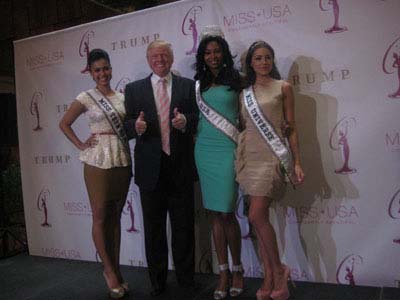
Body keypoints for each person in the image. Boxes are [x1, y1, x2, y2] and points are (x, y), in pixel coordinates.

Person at [123, 40, 198, 297]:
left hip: (180, 168)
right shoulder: (133, 90)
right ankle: (157, 282)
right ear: (148, 60)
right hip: (150, 171)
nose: (160, 59)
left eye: (165, 55)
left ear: (172, 57)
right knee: (154, 231)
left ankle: (187, 280)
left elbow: (198, 117)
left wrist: (186, 120)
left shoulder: (188, 86)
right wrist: (136, 126)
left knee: (184, 228)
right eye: (155, 56)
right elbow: (124, 125)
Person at [59, 49, 132, 299]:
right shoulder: (86, 97)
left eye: (106, 68)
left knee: (115, 217)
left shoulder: (122, 97)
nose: (103, 73)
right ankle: (108, 271)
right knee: (100, 216)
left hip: (121, 158)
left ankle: (118, 270)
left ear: (111, 68)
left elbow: (130, 127)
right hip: (97, 160)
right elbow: (64, 123)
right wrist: (80, 144)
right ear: (91, 73)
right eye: (97, 70)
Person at [235, 41, 305, 300]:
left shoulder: (283, 87)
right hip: (249, 158)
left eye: (267, 58)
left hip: (271, 157)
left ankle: (279, 271)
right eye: (258, 58)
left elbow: (292, 127)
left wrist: (297, 162)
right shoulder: (245, 94)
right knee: (259, 217)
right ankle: (269, 276)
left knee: (255, 215)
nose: (263, 62)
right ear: (250, 63)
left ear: (272, 61)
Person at [194, 27, 244, 300]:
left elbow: (246, 116)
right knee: (214, 213)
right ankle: (223, 271)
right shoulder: (197, 84)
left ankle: (238, 268)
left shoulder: (237, 81)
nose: (213, 56)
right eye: (208, 52)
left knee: (227, 212)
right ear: (202, 56)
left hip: (228, 149)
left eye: (217, 51)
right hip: (204, 150)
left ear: (224, 54)